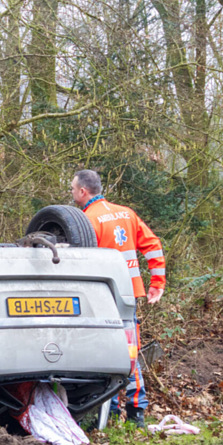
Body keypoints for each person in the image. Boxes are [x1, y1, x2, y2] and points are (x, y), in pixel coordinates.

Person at [71, 169, 165, 428]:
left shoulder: (86, 220)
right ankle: (136, 413)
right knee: (129, 351)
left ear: (83, 191)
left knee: (105, 353)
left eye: (72, 189)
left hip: (102, 297)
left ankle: (109, 411)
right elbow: (153, 245)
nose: (71, 193)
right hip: (129, 293)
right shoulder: (127, 213)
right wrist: (157, 284)